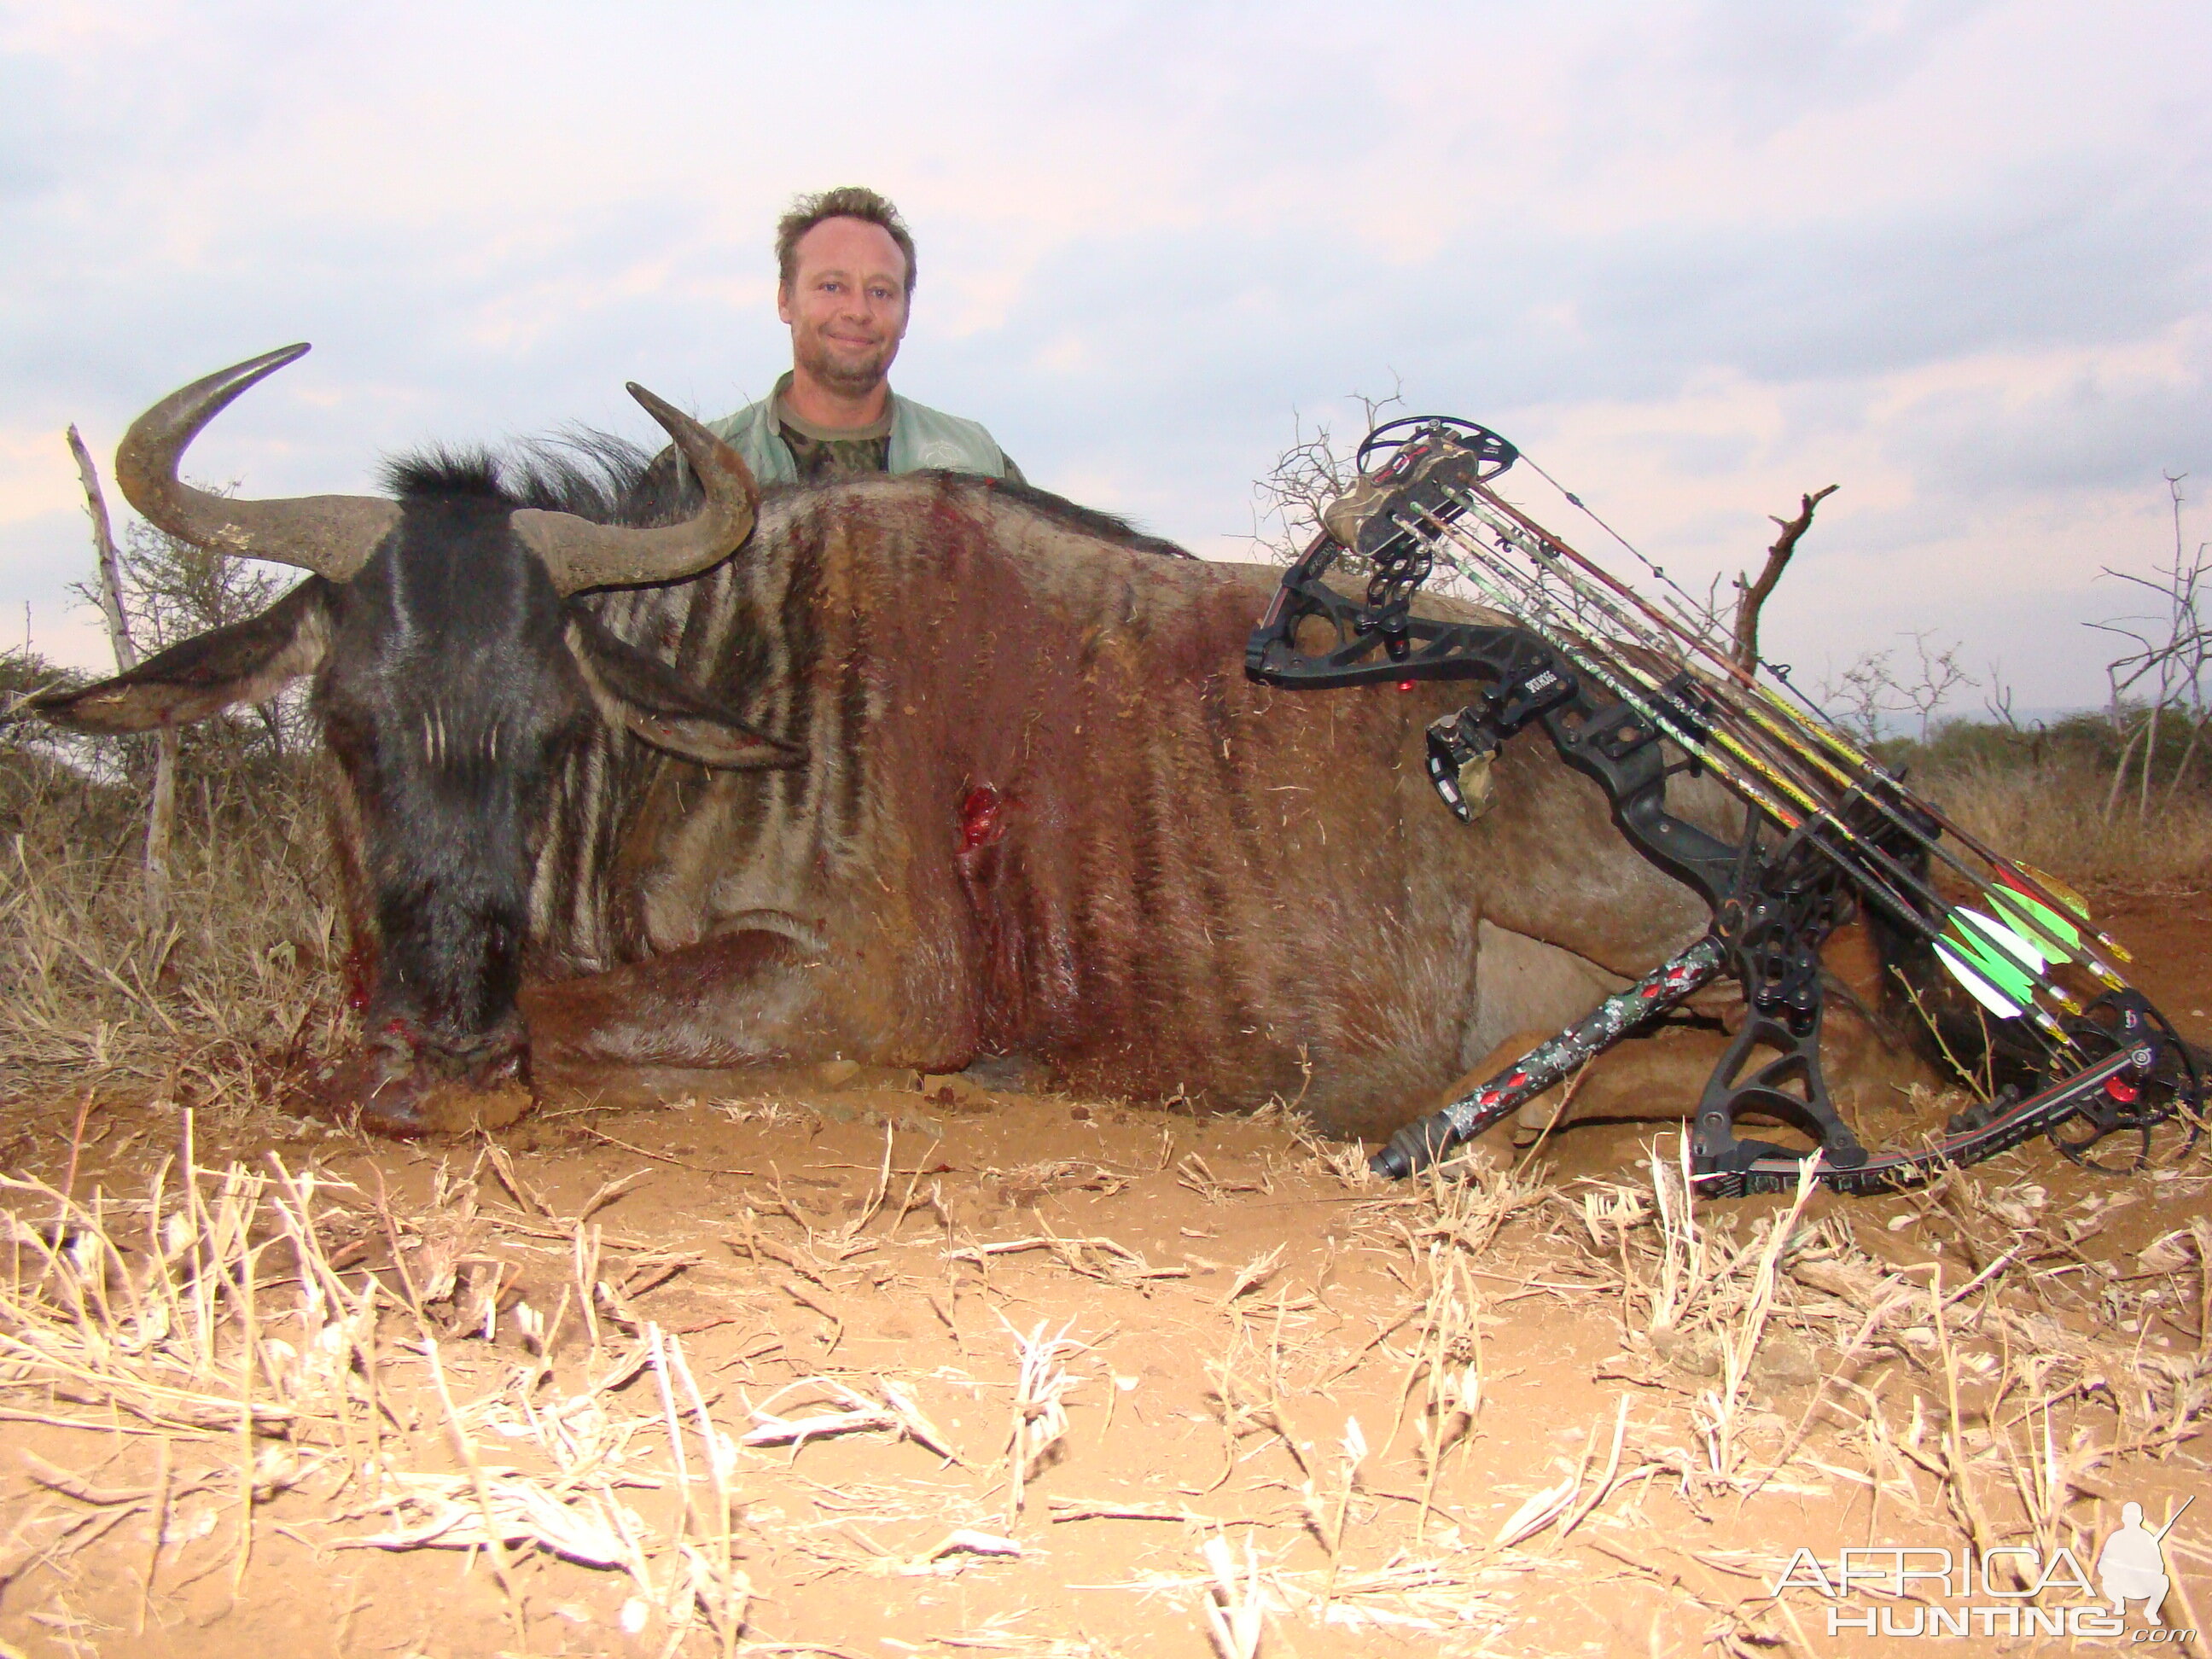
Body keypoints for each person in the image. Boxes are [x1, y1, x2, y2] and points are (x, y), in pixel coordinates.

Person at [709, 186, 1022, 486]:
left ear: (906, 315)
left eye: (880, 292)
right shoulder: (703, 466)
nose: (858, 311)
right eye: (831, 287)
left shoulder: (979, 463)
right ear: (785, 300)